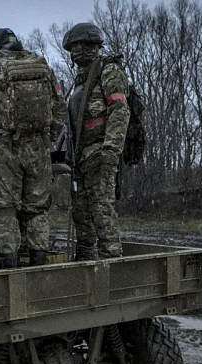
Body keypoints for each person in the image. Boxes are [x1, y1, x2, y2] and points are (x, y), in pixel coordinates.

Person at [0, 28, 66, 267]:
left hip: (1, 148)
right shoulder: (42, 67)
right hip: (38, 147)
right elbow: (59, 108)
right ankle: (38, 265)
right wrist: (48, 138)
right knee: (37, 209)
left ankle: (10, 270)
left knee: (4, 210)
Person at [62, 23, 130, 260]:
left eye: (83, 45)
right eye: (73, 47)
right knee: (82, 213)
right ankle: (86, 265)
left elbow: (120, 111)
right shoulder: (80, 80)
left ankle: (112, 264)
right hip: (81, 158)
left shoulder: (108, 71)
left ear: (95, 47)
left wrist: (110, 149)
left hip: (100, 153)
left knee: (102, 210)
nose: (77, 51)